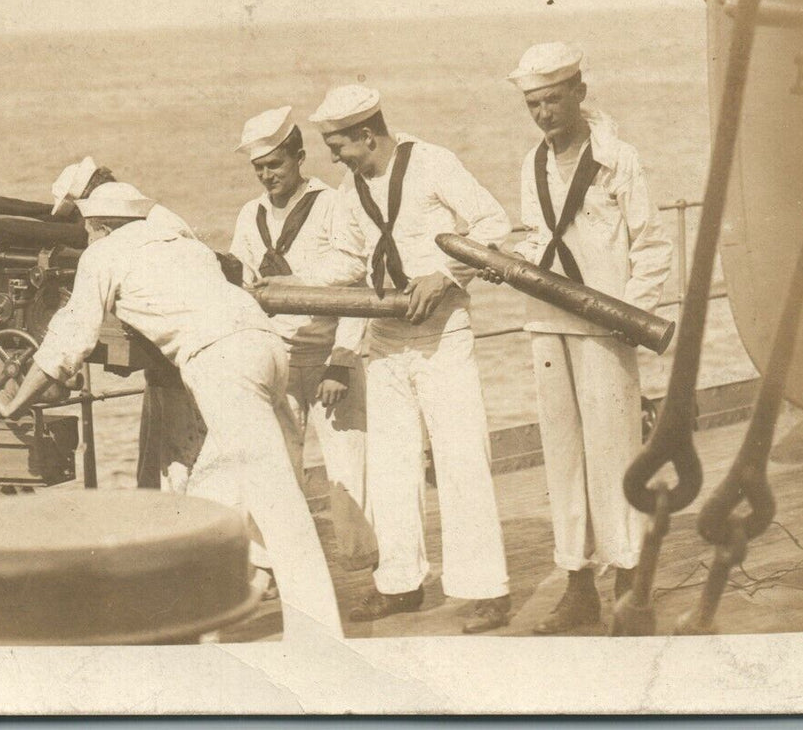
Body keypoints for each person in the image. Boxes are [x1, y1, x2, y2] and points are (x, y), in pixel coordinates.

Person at [0, 181, 344, 636]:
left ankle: (320, 636)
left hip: (222, 363)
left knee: (279, 504)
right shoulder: (185, 245)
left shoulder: (103, 254)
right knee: (216, 494)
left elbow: (68, 340)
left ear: (98, 226)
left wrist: (16, 403)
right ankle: (203, 621)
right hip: (268, 348)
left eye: (89, 231)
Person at [277, 83, 514, 634]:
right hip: (384, 339)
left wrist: (447, 273)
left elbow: (492, 224)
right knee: (390, 466)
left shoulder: (433, 163)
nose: (332, 155)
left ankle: (486, 591)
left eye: (338, 144)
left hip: (442, 336)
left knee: (460, 460)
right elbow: (347, 259)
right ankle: (400, 583)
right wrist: (293, 280)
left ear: (366, 133)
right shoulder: (350, 186)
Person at [505, 42, 672, 634]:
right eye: (533, 105)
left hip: (607, 328)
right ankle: (579, 584)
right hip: (548, 325)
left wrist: (634, 315)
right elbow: (536, 238)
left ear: (578, 92)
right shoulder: (532, 165)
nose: (545, 114)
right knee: (563, 461)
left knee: (615, 454)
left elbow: (651, 246)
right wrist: (507, 261)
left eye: (553, 100)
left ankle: (630, 581)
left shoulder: (617, 159)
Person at [230, 106, 380, 572]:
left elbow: (358, 280)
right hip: (277, 356)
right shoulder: (250, 214)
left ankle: (366, 563)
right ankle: (273, 565)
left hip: (329, 354)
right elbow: (242, 279)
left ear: (298, 157)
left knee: (348, 466)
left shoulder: (333, 204)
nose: (267, 176)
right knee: (274, 465)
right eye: (259, 169)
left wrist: (342, 357)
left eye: (275, 165)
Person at [51, 157, 205, 491]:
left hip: (183, 363)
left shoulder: (151, 226)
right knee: (155, 468)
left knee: (179, 469)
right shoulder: (149, 218)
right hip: (168, 362)